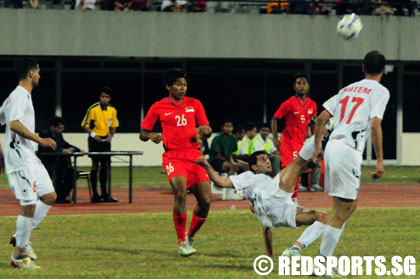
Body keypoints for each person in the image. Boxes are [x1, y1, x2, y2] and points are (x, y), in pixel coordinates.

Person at [312, 51, 389, 265]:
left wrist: (318, 147)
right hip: (348, 150)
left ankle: (321, 259)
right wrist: (380, 159)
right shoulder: (380, 91)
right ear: (383, 70)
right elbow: (375, 124)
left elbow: (321, 119)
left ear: (363, 68)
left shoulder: (347, 89)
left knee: (344, 206)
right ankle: (320, 263)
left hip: (333, 146)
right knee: (344, 208)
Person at [196, 144, 329, 260]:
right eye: (263, 159)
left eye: (267, 159)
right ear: (254, 166)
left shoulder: (268, 181)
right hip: (269, 198)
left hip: (279, 208)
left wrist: (269, 255)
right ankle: (319, 136)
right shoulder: (249, 177)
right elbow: (221, 182)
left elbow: (266, 227)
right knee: (296, 164)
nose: (268, 161)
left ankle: (295, 248)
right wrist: (207, 165)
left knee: (323, 217)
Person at [140, 68, 212, 257]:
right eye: (178, 84)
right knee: (180, 192)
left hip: (194, 155)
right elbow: (143, 134)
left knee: (205, 200)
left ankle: (190, 236)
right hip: (173, 156)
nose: (183, 88)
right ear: (168, 86)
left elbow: (207, 128)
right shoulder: (158, 107)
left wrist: (207, 131)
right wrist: (151, 136)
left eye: (185, 84)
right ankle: (181, 242)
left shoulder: (194, 104)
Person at [0, 58, 57, 269]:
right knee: (28, 205)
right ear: (31, 74)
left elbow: (2, 119)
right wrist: (39, 139)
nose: (40, 76)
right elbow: (13, 124)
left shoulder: (15, 97)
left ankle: (21, 237)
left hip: (30, 157)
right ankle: (19, 256)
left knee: (50, 196)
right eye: (39, 72)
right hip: (20, 159)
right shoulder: (19, 96)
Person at [271, 73, 317, 203]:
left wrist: (313, 141)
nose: (301, 86)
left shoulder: (312, 105)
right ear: (294, 87)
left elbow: (313, 122)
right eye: (298, 83)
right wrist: (275, 137)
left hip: (301, 143)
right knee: (293, 170)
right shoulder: (289, 103)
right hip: (288, 143)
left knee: (295, 171)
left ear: (308, 86)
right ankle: (291, 200)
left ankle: (282, 195)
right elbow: (274, 119)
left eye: (304, 83)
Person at [81, 86, 119, 203]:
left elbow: (114, 125)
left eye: (107, 97)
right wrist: (93, 135)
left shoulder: (112, 110)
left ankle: (105, 194)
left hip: (105, 140)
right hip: (94, 140)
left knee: (105, 166)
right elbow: (84, 124)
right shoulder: (93, 109)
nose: (104, 99)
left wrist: (111, 136)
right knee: (95, 165)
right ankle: (95, 194)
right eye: (102, 96)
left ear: (110, 99)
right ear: (99, 97)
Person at [38, 116, 81, 204]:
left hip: (59, 164)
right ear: (53, 127)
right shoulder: (44, 134)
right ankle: (57, 197)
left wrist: (76, 149)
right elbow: (48, 149)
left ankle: (61, 196)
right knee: (60, 173)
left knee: (74, 173)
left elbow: (65, 144)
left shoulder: (59, 135)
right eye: (59, 128)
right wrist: (62, 150)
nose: (61, 130)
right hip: (47, 164)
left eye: (62, 128)